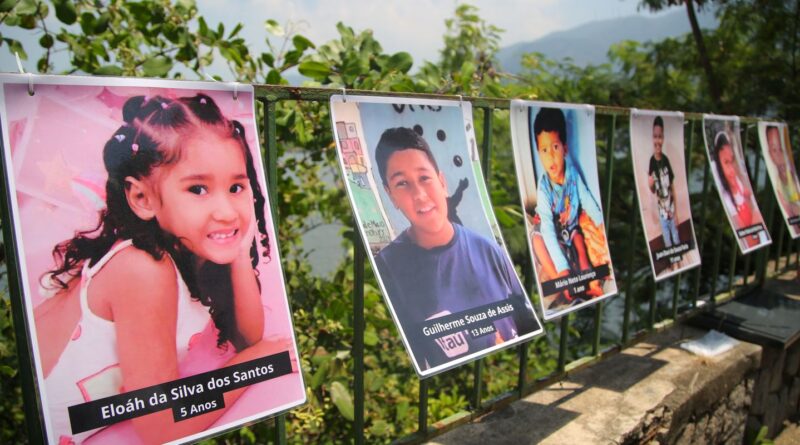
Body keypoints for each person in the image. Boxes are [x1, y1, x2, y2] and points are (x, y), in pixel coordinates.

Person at [35, 94, 287, 444]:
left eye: (236, 187)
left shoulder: (185, 243)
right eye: (198, 188)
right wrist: (257, 363)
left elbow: (248, 336)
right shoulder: (142, 269)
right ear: (142, 199)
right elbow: (162, 425)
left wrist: (240, 247)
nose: (227, 210)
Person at [372, 127, 539, 371]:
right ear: (391, 196)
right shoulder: (388, 266)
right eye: (402, 183)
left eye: (424, 178)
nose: (418, 194)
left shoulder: (488, 249)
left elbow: (525, 322)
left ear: (442, 182)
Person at [533, 108, 608, 308]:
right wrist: (562, 268)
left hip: (571, 228)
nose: (550, 157)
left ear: (565, 149)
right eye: (544, 150)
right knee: (538, 241)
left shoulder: (572, 174)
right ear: (539, 153)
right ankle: (561, 283)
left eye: (555, 147)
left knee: (580, 245)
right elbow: (548, 229)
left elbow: (587, 199)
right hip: (551, 232)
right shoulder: (544, 189)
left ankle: (591, 283)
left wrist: (601, 224)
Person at [712, 131, 765, 248]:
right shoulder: (727, 197)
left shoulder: (740, 184)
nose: (731, 170)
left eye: (732, 161)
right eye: (726, 163)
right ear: (719, 167)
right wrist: (754, 211)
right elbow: (748, 239)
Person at [647, 116, 682, 269]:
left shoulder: (666, 159)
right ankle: (672, 264)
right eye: (655, 136)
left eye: (660, 137)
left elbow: (672, 185)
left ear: (664, 138)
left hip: (672, 207)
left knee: (676, 235)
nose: (658, 141)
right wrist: (650, 184)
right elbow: (652, 189)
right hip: (662, 209)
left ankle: (679, 263)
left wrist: (677, 213)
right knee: (667, 238)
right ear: (652, 138)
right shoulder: (651, 162)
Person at [765, 125, 800, 219]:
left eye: (780, 149)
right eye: (774, 150)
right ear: (770, 154)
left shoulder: (793, 173)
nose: (780, 156)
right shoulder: (777, 187)